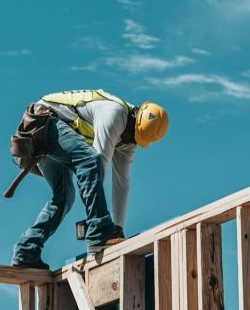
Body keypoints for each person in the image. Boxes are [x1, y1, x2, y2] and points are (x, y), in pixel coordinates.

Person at [10, 89, 169, 269]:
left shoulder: (129, 140)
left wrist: (118, 228)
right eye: (131, 134)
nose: (129, 141)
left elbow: (122, 183)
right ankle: (99, 230)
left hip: (52, 133)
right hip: (42, 122)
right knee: (90, 160)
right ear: (134, 117)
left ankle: (26, 251)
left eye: (135, 139)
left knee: (64, 197)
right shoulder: (114, 113)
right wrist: (100, 229)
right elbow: (98, 164)